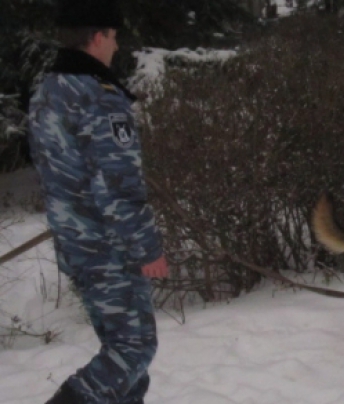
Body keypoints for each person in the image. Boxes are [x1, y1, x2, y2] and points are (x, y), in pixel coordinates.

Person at [28, 0, 169, 403]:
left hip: (76, 243)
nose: (116, 46)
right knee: (132, 351)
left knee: (126, 359)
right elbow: (117, 186)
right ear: (97, 37)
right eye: (113, 37)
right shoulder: (99, 96)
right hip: (109, 246)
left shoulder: (49, 90)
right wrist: (146, 247)